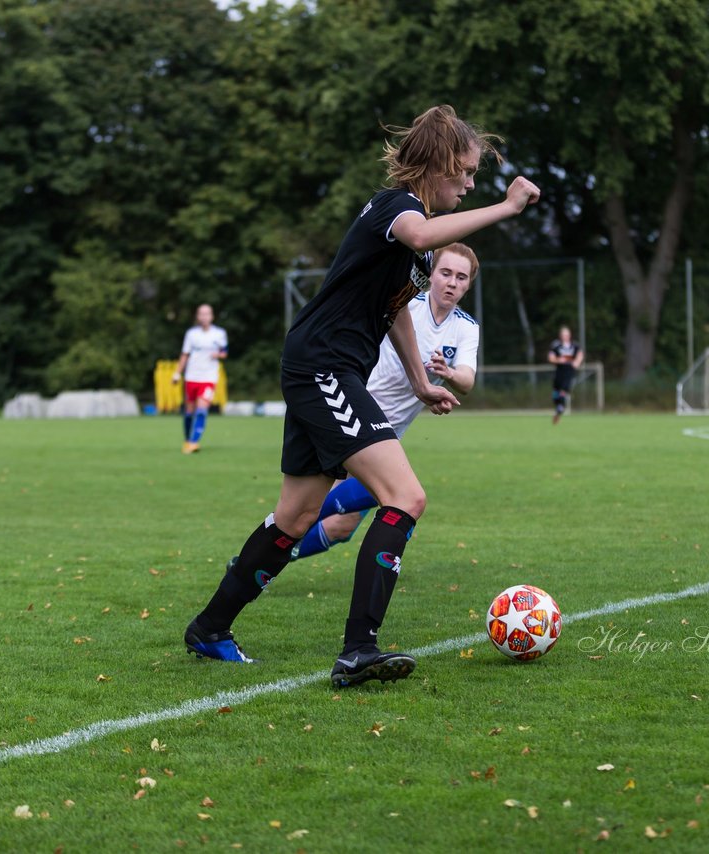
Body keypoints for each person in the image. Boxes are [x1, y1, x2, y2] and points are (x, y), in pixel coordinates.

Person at [183, 105, 540, 689]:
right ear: (441, 165)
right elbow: (422, 235)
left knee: (296, 516)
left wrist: (422, 383)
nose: (472, 184)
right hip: (324, 366)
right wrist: (504, 207)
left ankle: (209, 628)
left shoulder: (412, 240)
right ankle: (358, 650)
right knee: (406, 497)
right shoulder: (395, 209)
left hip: (324, 366)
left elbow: (395, 306)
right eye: (468, 172)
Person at [287, 242, 482, 562]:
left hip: (390, 430)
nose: (452, 282)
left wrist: (446, 375)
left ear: (468, 285)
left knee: (341, 527)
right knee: (392, 492)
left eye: (461, 277)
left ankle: (270, 552)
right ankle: (277, 537)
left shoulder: (465, 327)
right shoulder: (405, 306)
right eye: (445, 273)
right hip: (353, 412)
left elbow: (467, 380)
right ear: (431, 275)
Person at [172, 304, 228, 453]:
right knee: (189, 412)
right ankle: (187, 439)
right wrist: (177, 373)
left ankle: (193, 442)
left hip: (209, 378)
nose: (204, 317)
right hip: (192, 376)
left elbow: (224, 352)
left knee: (202, 410)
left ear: (212, 316)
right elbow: (185, 354)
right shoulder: (191, 334)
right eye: (201, 314)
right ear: (197, 316)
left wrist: (219, 355)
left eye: (207, 314)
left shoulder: (219, 333)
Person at [548, 325, 583, 425]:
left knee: (564, 391)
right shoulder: (556, 345)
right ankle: (558, 409)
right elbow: (551, 357)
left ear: (570, 335)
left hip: (569, 372)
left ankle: (560, 409)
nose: (565, 337)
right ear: (560, 336)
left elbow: (580, 354)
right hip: (559, 372)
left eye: (567, 335)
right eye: (563, 335)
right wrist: (558, 360)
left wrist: (577, 362)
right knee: (555, 394)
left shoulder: (574, 345)